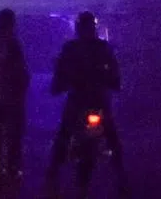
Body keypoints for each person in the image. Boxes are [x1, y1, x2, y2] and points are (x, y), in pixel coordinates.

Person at [47, 12, 127, 194]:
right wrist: (115, 83)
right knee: (110, 134)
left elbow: (61, 71)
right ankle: (121, 173)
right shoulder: (101, 47)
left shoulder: (72, 47)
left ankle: (53, 171)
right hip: (96, 98)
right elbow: (114, 70)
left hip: (80, 98)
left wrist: (58, 86)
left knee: (65, 133)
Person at [0, 8, 30, 180]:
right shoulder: (12, 43)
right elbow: (20, 70)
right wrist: (23, 87)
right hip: (12, 97)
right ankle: (11, 168)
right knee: (14, 134)